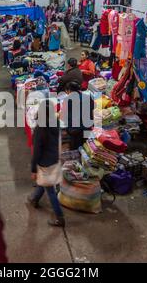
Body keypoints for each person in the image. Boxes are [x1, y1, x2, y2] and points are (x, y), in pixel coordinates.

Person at [27, 99, 65, 227]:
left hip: (45, 163)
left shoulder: (40, 128)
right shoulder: (56, 123)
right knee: (45, 183)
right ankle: (34, 198)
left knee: (50, 190)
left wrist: (33, 169)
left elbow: (37, 151)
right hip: (54, 159)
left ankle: (60, 218)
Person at [62, 82, 94, 150]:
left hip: (75, 130)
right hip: (87, 127)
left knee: (76, 148)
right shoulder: (88, 97)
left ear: (69, 90)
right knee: (87, 146)